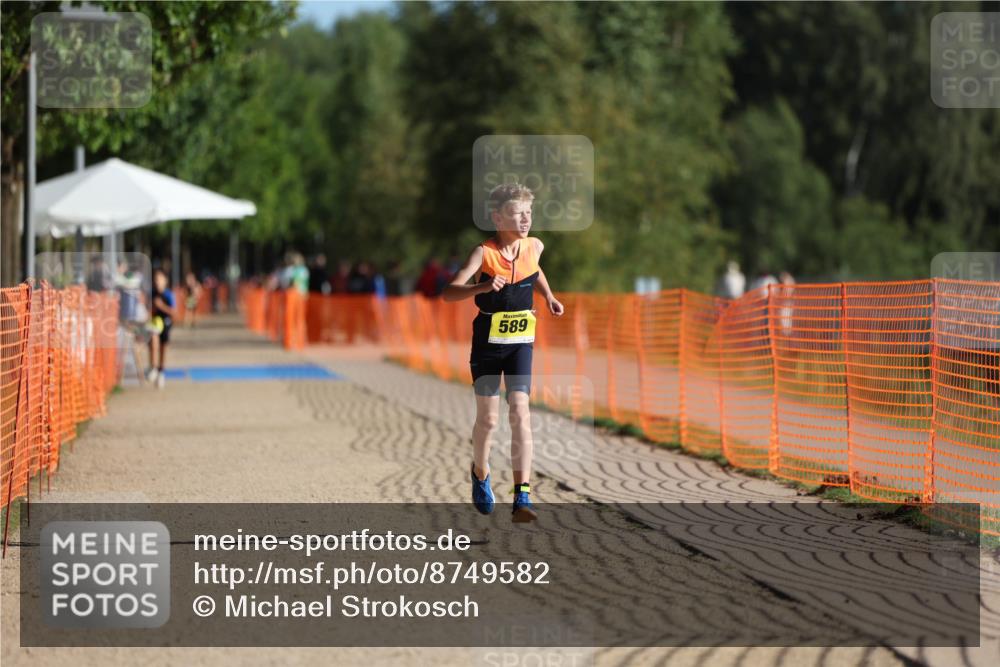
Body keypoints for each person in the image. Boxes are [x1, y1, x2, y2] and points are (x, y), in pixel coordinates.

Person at [443, 183, 564, 523]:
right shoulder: (483, 253)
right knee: (489, 419)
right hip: (486, 344)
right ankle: (480, 473)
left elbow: (534, 270)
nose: (525, 219)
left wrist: (549, 296)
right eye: (516, 213)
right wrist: (481, 286)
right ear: (497, 217)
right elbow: (448, 293)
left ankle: (522, 495)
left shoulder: (535, 246)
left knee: (521, 412)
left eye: (528, 212)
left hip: (520, 345)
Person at [147, 269, 177, 390]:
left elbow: (174, 312)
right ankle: (153, 367)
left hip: (166, 322)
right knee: (153, 341)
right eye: (155, 279)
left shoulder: (169, 295)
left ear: (165, 281)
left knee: (163, 347)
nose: (157, 281)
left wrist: (162, 306)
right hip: (154, 322)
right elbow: (147, 309)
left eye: (160, 279)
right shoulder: (152, 294)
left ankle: (161, 371)